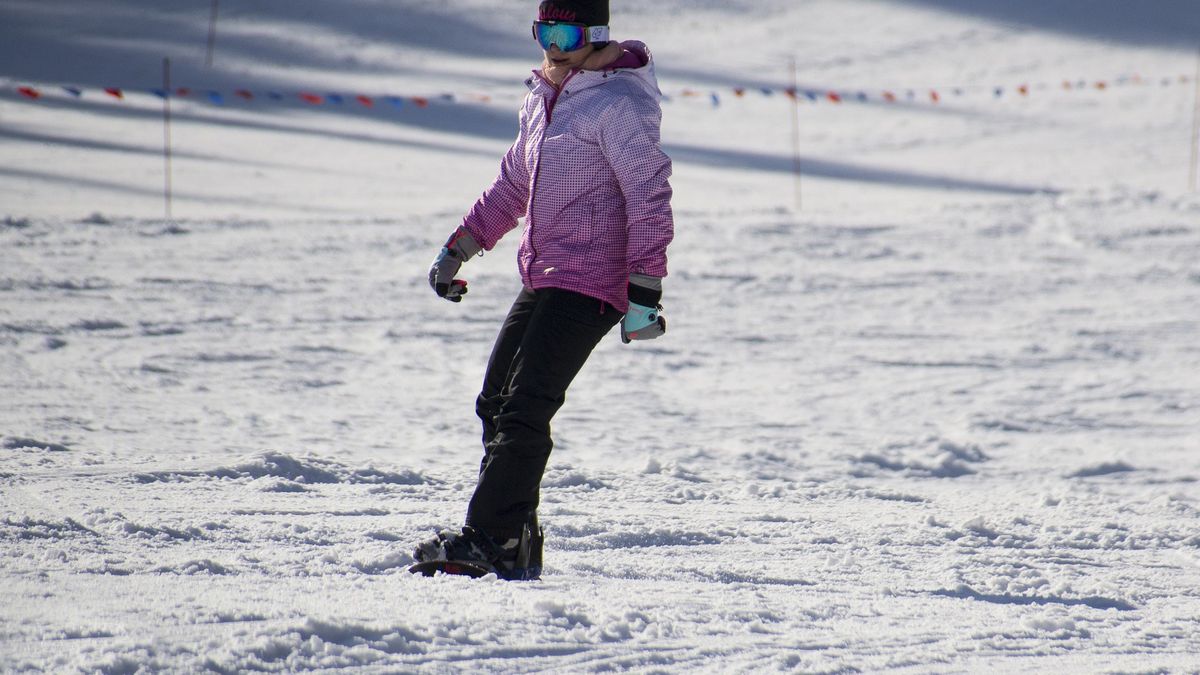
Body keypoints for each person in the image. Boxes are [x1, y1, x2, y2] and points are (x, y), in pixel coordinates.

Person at [412, 0, 674, 580]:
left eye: (566, 31)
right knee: (496, 401)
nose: (553, 44)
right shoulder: (543, 95)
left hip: (597, 277)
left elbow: (648, 194)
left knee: (526, 405)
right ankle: (515, 536)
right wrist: (460, 248)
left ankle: (492, 538)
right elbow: (513, 184)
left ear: (595, 33)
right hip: (545, 272)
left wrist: (645, 291)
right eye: (543, 31)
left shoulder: (620, 101)